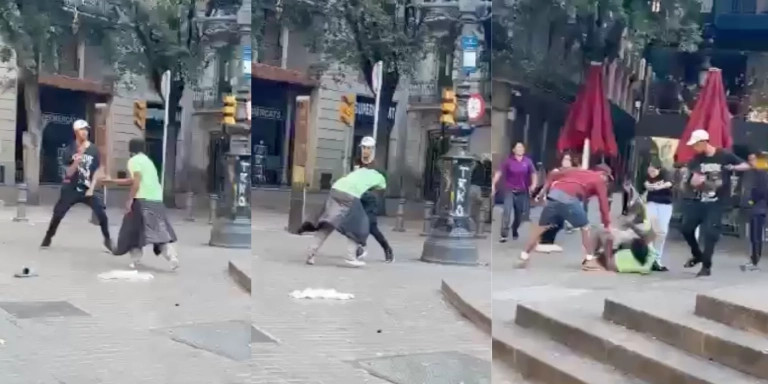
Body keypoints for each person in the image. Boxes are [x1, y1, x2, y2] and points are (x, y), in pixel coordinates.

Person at [681, 129, 750, 277]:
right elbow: (693, 177)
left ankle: (706, 267)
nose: (694, 148)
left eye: (695, 145)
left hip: (717, 202)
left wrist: (733, 167)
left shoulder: (724, 155)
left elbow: (746, 165)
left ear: (704, 142)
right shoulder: (698, 158)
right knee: (686, 228)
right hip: (700, 200)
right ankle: (697, 254)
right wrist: (694, 181)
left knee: (710, 233)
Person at [519, 165, 614, 271]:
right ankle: (589, 260)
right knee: (585, 227)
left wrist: (544, 191)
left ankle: (524, 255)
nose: (607, 183)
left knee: (541, 228)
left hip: (553, 196)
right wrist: (607, 224)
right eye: (608, 179)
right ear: (603, 174)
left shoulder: (576, 171)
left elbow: (553, 173)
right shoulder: (599, 180)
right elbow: (603, 203)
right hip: (569, 199)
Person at [104, 139, 179, 270]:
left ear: (130, 150)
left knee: (131, 230)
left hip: (142, 200)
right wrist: (113, 181)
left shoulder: (133, 161)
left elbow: (136, 182)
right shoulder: (147, 161)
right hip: (156, 200)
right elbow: (134, 179)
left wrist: (130, 200)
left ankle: (135, 258)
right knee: (158, 231)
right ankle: (171, 257)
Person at [41, 119, 113, 251]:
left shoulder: (93, 149)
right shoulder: (70, 149)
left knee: (102, 215)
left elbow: (98, 169)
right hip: (71, 189)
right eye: (82, 130)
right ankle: (48, 236)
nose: (85, 132)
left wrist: (92, 187)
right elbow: (68, 173)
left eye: (86, 130)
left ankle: (108, 240)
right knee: (58, 214)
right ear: (76, 132)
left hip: (87, 189)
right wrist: (78, 157)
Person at [299, 167, 387, 267]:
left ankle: (311, 253)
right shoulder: (381, 179)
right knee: (359, 224)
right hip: (349, 194)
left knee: (329, 224)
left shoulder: (362, 170)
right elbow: (377, 190)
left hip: (336, 189)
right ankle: (351, 257)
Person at [354, 136, 394, 263]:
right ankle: (361, 248)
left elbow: (383, 182)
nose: (366, 151)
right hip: (359, 199)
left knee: (371, 227)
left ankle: (387, 248)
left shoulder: (376, 167)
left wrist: (374, 192)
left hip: (371, 200)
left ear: (372, 150)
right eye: (364, 148)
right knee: (358, 224)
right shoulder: (357, 163)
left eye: (368, 148)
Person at [492, 142, 537, 242]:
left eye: (521, 147)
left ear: (524, 150)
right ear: (513, 150)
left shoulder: (528, 162)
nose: (520, 149)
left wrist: (533, 185)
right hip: (509, 190)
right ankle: (504, 234)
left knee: (519, 215)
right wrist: (493, 184)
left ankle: (515, 229)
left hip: (522, 191)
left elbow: (533, 174)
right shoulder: (508, 161)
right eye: (518, 147)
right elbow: (499, 172)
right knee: (507, 211)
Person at [536, 153, 573, 253]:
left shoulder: (573, 173)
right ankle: (544, 240)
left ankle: (549, 240)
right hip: (554, 199)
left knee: (559, 223)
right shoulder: (555, 172)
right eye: (565, 159)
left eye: (569, 160)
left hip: (565, 201)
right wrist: (540, 195)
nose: (566, 162)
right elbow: (547, 184)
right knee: (549, 221)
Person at [642, 161, 673, 271]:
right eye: (649, 170)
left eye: (654, 171)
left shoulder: (667, 175)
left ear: (659, 170)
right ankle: (648, 257)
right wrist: (655, 186)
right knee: (650, 230)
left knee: (662, 232)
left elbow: (669, 184)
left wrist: (657, 186)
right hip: (651, 204)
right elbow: (647, 185)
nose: (651, 173)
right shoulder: (646, 176)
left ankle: (657, 259)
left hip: (665, 205)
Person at [740, 152, 768, 271]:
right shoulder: (756, 173)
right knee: (754, 235)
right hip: (758, 208)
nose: (750, 162)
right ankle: (754, 259)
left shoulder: (762, 173)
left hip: (758, 208)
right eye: (749, 160)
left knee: (755, 236)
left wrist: (751, 200)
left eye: (753, 159)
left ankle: (754, 261)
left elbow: (762, 191)